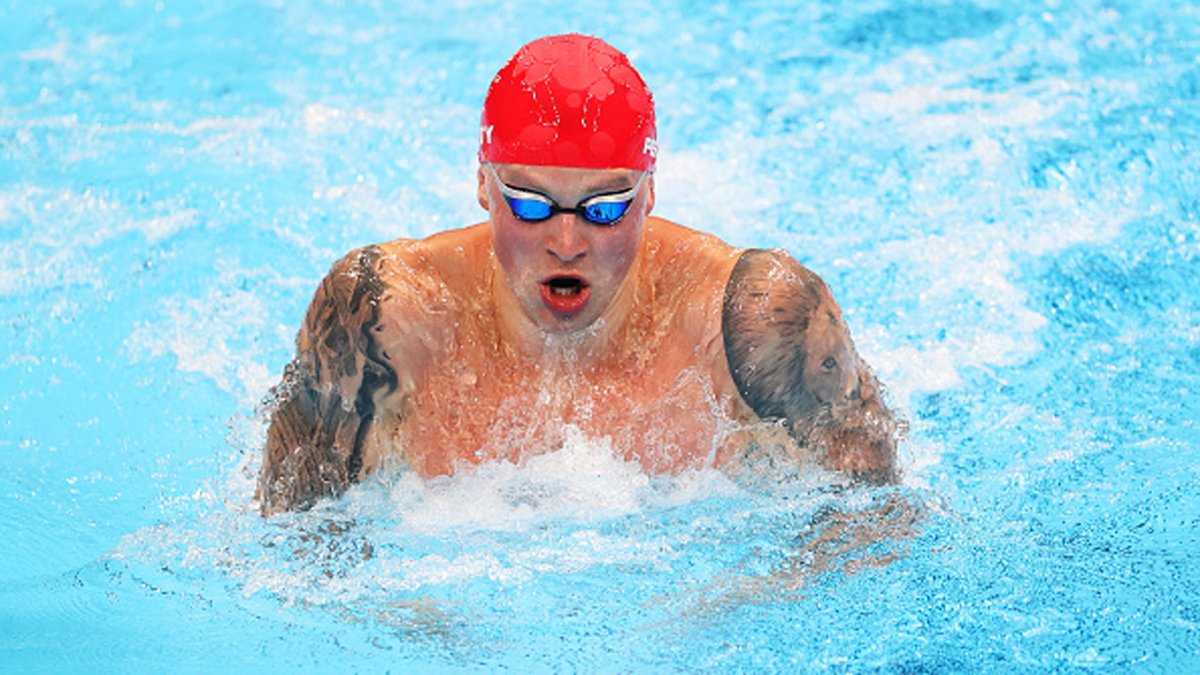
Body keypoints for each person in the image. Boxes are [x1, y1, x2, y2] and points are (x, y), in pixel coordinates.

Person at [257, 33, 900, 516]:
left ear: (650, 194)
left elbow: (876, 526)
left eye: (605, 208)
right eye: (531, 205)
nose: (567, 243)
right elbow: (288, 545)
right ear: (483, 186)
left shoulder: (755, 323)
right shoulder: (382, 319)